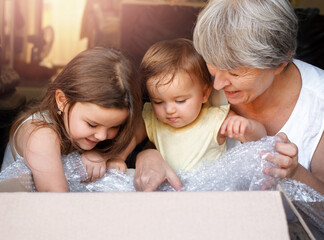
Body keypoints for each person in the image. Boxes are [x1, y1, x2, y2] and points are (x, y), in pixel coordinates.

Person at [133, 0, 324, 194]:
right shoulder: (195, 80)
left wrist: (294, 173)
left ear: (279, 64)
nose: (217, 85)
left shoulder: (319, 103)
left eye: (234, 73)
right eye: (213, 65)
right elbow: (166, 133)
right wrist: (148, 155)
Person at [112, 38, 266, 173]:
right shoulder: (153, 119)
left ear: (204, 94)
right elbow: (132, 136)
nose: (169, 110)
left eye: (180, 101)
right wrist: (120, 157)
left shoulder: (216, 119)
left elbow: (261, 140)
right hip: (169, 191)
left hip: (208, 192)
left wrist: (248, 127)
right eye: (158, 102)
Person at [1, 47, 142, 192]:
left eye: (114, 127)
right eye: (92, 124)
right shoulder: (41, 135)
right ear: (62, 101)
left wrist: (115, 157)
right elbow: (56, 198)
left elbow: (140, 128)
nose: (102, 136)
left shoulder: (88, 128)